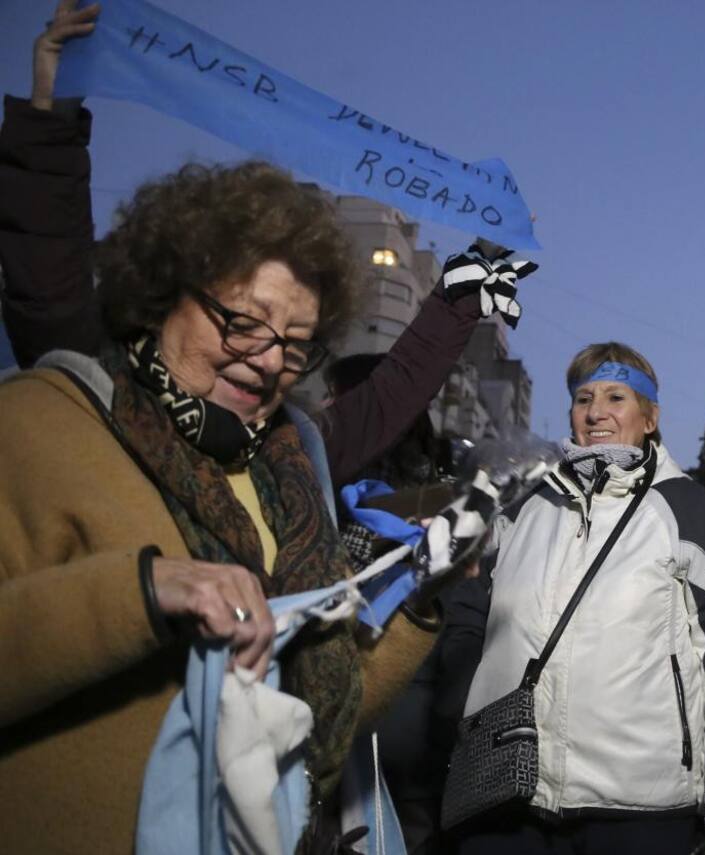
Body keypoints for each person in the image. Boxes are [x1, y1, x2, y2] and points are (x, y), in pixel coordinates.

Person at [0, 5, 526, 851]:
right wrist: (145, 592)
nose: (266, 357)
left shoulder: (295, 456)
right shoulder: (54, 422)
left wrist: (424, 595)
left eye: (294, 341)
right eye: (242, 322)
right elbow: (45, 269)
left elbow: (323, 706)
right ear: (164, 290)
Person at [452, 342, 705, 854]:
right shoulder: (521, 504)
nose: (596, 413)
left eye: (616, 397)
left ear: (650, 418)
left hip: (640, 806)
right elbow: (468, 620)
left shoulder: (690, 509)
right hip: (507, 794)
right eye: (583, 398)